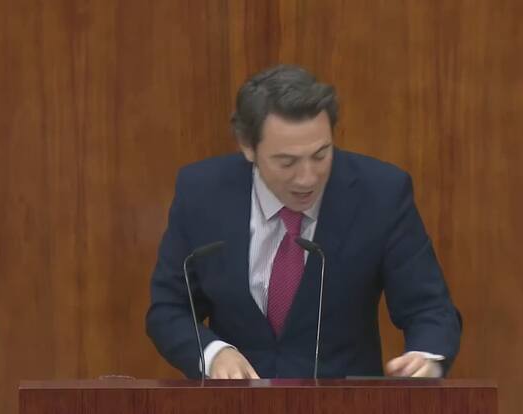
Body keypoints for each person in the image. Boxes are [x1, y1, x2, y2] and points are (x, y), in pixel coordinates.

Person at [146, 64, 461, 379]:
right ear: (247, 146)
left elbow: (429, 308)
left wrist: (426, 357)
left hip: (342, 401)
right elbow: (169, 308)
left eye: (321, 155)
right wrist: (213, 353)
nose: (308, 178)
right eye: (287, 162)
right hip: (237, 400)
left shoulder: (380, 194)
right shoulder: (203, 194)